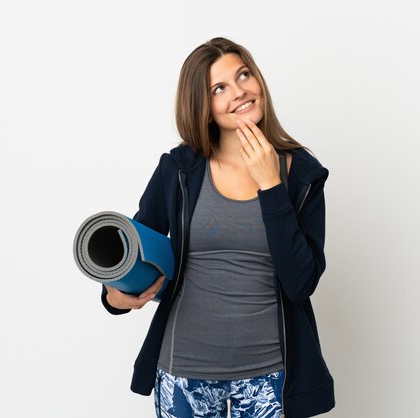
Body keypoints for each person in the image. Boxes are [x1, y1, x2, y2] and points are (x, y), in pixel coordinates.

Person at [101, 37, 335, 418]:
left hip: (271, 378)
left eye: (244, 75)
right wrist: (114, 297)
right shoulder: (179, 169)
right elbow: (133, 248)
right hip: (183, 372)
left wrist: (270, 186)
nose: (239, 91)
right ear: (204, 106)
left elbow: (300, 283)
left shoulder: (302, 175)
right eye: (219, 88)